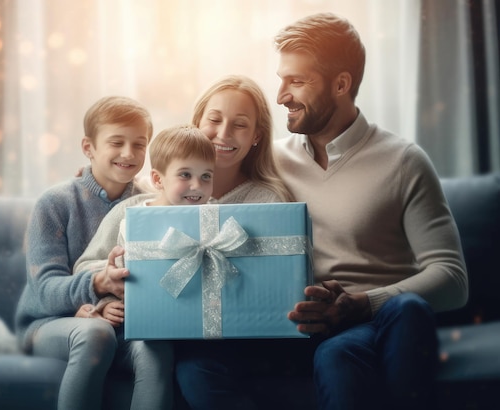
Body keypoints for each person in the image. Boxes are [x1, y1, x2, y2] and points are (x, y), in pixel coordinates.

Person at [177, 12, 469, 410]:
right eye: (281, 80)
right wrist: (113, 184)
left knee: (362, 339)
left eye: (296, 81)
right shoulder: (269, 160)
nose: (280, 96)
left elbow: (452, 279)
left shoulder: (403, 161)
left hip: (372, 323)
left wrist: (362, 303)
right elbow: (192, 177)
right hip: (292, 324)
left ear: (341, 85)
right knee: (197, 367)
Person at [14, 95, 173, 410]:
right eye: (116, 142)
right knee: (96, 333)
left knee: (158, 348)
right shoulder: (55, 203)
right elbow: (44, 290)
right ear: (89, 148)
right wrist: (97, 288)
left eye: (139, 145)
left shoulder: (153, 203)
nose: (128, 153)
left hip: (124, 325)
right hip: (51, 323)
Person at [73, 74, 293, 278]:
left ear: (256, 135)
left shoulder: (267, 203)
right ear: (197, 123)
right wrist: (108, 285)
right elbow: (88, 267)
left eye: (240, 125)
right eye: (214, 120)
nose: (224, 134)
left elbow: (279, 274)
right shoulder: (143, 199)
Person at [75, 123, 216, 322]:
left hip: (198, 319)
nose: (197, 185)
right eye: (185, 175)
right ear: (158, 179)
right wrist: (106, 302)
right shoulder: (130, 212)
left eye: (206, 176)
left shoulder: (216, 217)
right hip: (143, 319)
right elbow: (86, 266)